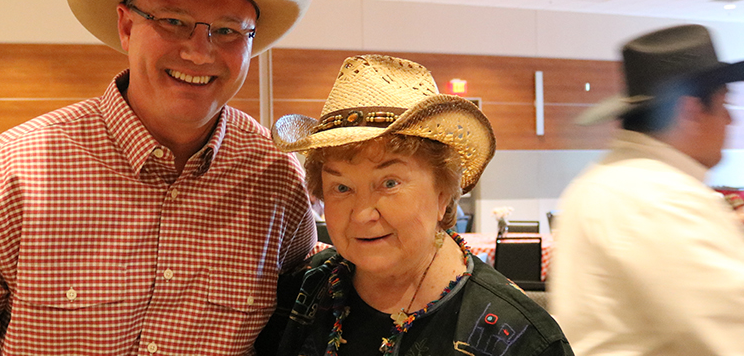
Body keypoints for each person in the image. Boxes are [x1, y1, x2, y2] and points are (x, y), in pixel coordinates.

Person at [0, 0, 321, 354]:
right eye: (173, 20)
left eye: (227, 30)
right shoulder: (12, 173)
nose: (198, 51)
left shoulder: (275, 180)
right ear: (126, 26)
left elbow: (301, 322)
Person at [259, 55, 573, 356]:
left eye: (390, 183)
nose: (363, 214)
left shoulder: (517, 338)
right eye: (342, 187)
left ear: (443, 193)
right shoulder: (300, 295)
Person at [550, 25, 744, 355]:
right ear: (691, 111)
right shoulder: (662, 197)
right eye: (725, 103)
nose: (731, 120)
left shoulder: (608, 180)